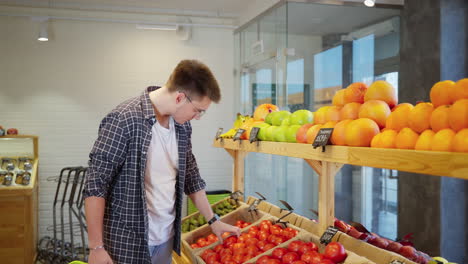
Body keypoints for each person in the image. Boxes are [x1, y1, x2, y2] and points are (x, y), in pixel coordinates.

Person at [83, 59, 241, 264]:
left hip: (166, 239)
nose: (198, 117)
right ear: (179, 98)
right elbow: (96, 185)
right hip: (127, 243)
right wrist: (96, 247)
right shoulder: (124, 119)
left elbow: (191, 175)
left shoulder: (182, 127)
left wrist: (213, 220)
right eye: (199, 110)